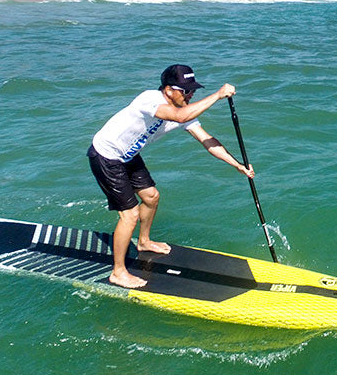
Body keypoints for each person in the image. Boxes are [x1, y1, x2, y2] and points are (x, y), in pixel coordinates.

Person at [87, 64, 254, 288]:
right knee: (130, 214)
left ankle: (144, 242)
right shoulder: (150, 100)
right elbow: (179, 116)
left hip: (129, 155)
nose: (190, 94)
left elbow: (207, 141)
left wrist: (238, 165)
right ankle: (118, 272)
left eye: (193, 90)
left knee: (151, 197)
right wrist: (217, 95)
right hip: (106, 155)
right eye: (185, 90)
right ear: (168, 90)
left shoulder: (184, 110)